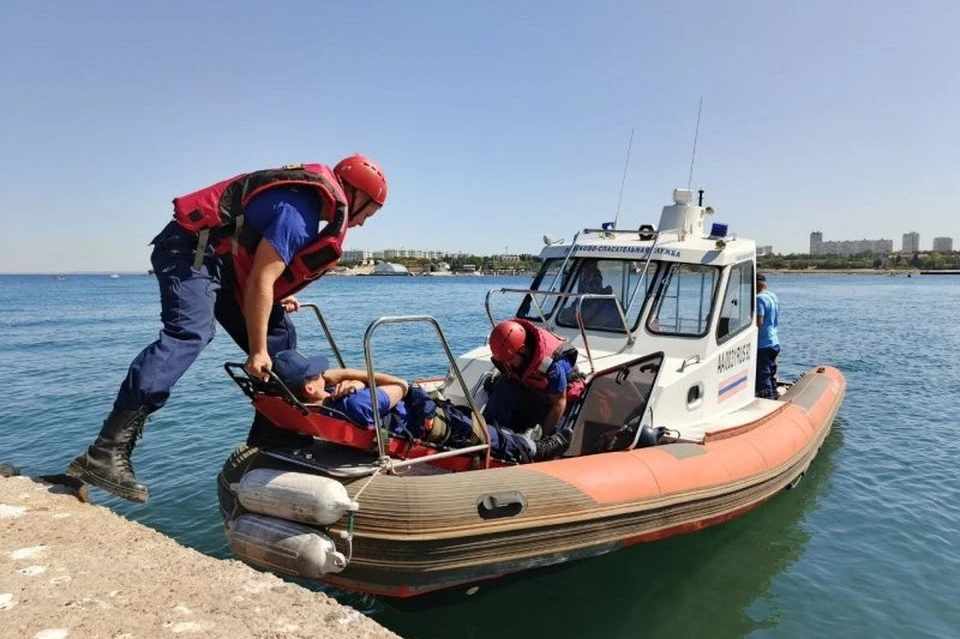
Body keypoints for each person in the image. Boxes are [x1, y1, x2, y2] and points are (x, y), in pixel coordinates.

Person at [67, 158, 388, 503]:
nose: (362, 223)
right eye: (366, 213)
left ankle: (273, 434)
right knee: (189, 334)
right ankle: (105, 451)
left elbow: (262, 275)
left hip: (219, 265)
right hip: (190, 250)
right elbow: (260, 282)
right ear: (354, 194)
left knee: (281, 334)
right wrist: (257, 350)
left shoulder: (305, 206)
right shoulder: (300, 215)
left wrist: (273, 318)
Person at [270, 350, 569, 463]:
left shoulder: (325, 405)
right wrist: (353, 375)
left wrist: (350, 386)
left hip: (406, 418)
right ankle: (533, 448)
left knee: (471, 420)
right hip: (424, 426)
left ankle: (523, 438)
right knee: (481, 432)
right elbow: (400, 385)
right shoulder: (357, 404)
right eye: (317, 375)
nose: (325, 375)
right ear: (309, 388)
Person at [483, 318, 585, 445]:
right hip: (530, 387)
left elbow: (559, 404)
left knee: (535, 426)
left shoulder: (552, 367)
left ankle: (525, 446)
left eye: (510, 359)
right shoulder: (512, 356)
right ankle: (486, 434)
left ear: (523, 350)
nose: (507, 364)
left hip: (550, 398)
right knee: (502, 388)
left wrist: (542, 438)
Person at [755, 273, 780, 399]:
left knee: (763, 374)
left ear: (757, 284)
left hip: (763, 343)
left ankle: (767, 399)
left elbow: (759, 321)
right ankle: (774, 393)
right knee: (772, 372)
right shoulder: (773, 296)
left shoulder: (759, 298)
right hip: (774, 341)